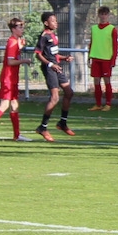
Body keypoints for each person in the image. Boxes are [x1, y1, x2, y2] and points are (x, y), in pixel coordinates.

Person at [0, 18, 35, 142]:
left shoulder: (15, 42)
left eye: (22, 26)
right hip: (7, 78)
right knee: (4, 104)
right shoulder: (11, 42)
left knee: (14, 104)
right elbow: (10, 62)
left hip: (13, 77)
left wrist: (20, 47)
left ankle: (17, 135)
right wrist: (24, 60)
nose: (22, 29)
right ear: (13, 29)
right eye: (20, 27)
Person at [33, 11, 75, 141]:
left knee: (69, 92)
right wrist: (51, 64)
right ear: (46, 23)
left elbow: (54, 54)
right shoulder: (44, 36)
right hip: (49, 68)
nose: (56, 23)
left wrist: (64, 58)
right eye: (53, 21)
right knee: (55, 98)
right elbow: (38, 54)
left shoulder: (53, 35)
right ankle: (43, 127)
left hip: (56, 67)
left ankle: (62, 123)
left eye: (56, 20)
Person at [88, 6, 118, 111]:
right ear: (98, 15)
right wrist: (89, 57)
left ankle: (108, 103)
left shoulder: (112, 29)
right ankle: (98, 104)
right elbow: (91, 43)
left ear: (108, 15)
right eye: (102, 14)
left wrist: (113, 60)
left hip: (106, 59)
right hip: (96, 58)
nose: (103, 16)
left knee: (107, 81)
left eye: (105, 14)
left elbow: (115, 46)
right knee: (96, 81)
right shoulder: (94, 28)